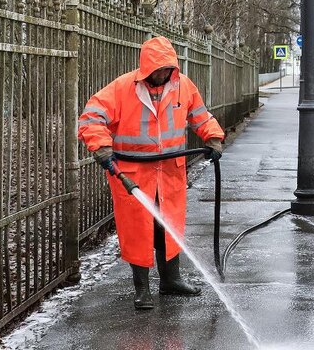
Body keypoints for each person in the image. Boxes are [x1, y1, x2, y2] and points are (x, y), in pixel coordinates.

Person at [77, 36, 225, 310]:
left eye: (167, 70)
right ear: (146, 69)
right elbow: (90, 117)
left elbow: (201, 117)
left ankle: (171, 280)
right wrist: (101, 147)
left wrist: (213, 137)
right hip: (134, 173)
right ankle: (141, 288)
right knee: (138, 230)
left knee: (167, 226)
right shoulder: (122, 89)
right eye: (157, 70)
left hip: (169, 172)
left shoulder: (183, 87)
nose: (162, 75)